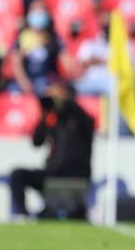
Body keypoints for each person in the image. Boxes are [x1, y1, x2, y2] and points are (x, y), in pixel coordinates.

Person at [9, 82, 94, 217]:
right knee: (17, 175)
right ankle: (23, 216)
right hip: (53, 173)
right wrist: (45, 113)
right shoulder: (53, 120)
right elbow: (37, 142)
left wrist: (62, 99)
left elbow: (76, 112)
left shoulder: (82, 119)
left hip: (75, 174)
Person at [9, 0, 65, 96]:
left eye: (42, 10)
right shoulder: (22, 37)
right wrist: (24, 82)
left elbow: (66, 60)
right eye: (35, 10)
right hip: (26, 79)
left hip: (46, 80)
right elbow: (16, 62)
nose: (38, 13)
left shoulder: (53, 37)